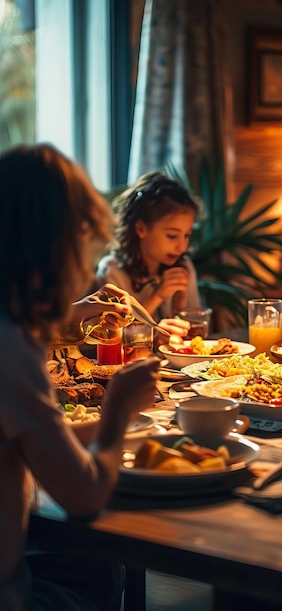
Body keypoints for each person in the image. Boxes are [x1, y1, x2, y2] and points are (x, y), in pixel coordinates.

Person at [0, 143, 160, 610]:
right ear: (53, 248)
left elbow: (24, 440)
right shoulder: (12, 349)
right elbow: (85, 496)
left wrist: (109, 424)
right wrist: (116, 413)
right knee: (100, 570)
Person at [96, 170, 202, 322]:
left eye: (186, 235)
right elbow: (114, 332)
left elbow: (192, 330)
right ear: (141, 228)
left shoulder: (184, 267)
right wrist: (158, 296)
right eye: (172, 236)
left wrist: (179, 304)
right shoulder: (113, 271)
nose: (181, 247)